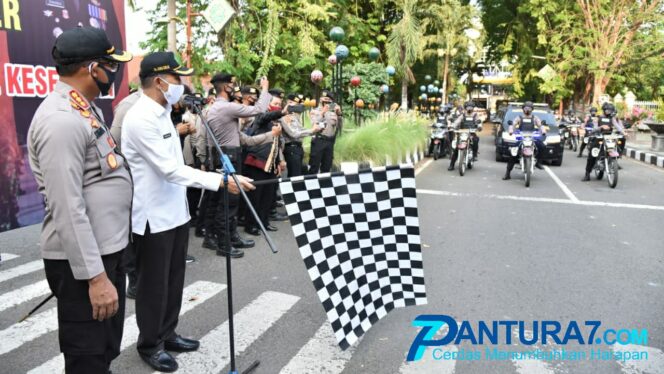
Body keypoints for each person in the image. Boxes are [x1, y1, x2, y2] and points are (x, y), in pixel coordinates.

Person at [121, 52, 254, 373]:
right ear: (159, 81)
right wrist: (220, 181)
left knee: (173, 281)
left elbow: (175, 167)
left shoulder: (162, 112)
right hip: (153, 218)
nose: (182, 86)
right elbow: (169, 170)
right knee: (154, 286)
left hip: (175, 212)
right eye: (178, 80)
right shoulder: (139, 118)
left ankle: (168, 333)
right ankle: (150, 344)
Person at [27, 27, 133, 374]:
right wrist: (95, 278)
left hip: (106, 252)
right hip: (85, 266)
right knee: (86, 357)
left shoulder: (83, 108)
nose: (113, 73)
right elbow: (67, 207)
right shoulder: (61, 120)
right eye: (110, 65)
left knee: (103, 349)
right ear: (92, 69)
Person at [204, 73, 281, 258]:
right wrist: (264, 88)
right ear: (226, 87)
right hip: (228, 155)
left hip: (226, 153)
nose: (235, 88)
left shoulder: (220, 109)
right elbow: (260, 109)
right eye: (233, 84)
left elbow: (245, 140)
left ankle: (229, 237)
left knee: (226, 201)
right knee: (228, 202)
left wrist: (271, 135)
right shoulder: (225, 107)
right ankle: (224, 244)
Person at [243, 89, 290, 235]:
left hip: (271, 162)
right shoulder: (260, 116)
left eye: (280, 104)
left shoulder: (276, 120)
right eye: (275, 103)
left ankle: (264, 223)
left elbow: (276, 142)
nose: (278, 106)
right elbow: (265, 117)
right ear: (268, 105)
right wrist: (281, 112)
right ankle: (251, 225)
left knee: (268, 196)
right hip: (257, 161)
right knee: (255, 196)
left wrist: (278, 162)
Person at [502, 101, 547, 180]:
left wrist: (543, 131)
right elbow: (512, 124)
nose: (527, 109)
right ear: (523, 109)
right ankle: (507, 173)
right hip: (521, 138)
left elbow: (540, 125)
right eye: (526, 108)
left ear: (532, 109)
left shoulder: (535, 118)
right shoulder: (519, 117)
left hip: (532, 137)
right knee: (513, 153)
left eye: (529, 108)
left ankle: (539, 163)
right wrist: (511, 130)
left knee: (542, 146)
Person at [282, 93, 322, 177]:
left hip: (298, 148)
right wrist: (311, 130)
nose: (300, 106)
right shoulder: (287, 116)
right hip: (291, 148)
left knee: (299, 174)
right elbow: (293, 133)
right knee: (294, 176)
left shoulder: (296, 116)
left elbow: (301, 130)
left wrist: (314, 130)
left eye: (301, 104)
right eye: (298, 104)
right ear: (289, 103)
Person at [582, 103, 624, 181]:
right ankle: (587, 174)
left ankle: (612, 162)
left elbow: (618, 127)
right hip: (598, 137)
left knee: (616, 146)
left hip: (608, 137)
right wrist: (601, 127)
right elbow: (594, 128)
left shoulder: (612, 119)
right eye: (608, 110)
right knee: (592, 155)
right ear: (604, 110)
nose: (609, 112)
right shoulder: (598, 118)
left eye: (610, 110)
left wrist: (624, 133)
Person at [308, 90, 341, 174]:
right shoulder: (314, 111)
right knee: (314, 166)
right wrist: (322, 112)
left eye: (328, 100)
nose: (326, 101)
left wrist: (339, 114)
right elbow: (314, 123)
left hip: (329, 142)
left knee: (327, 167)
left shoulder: (333, 113)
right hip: (319, 140)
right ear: (320, 99)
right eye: (324, 98)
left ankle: (325, 185)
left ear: (331, 101)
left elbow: (339, 127)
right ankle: (312, 185)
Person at [448, 101, 482, 171]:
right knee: (457, 148)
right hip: (462, 133)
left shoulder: (475, 115)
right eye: (468, 107)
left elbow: (478, 122)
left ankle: (474, 155)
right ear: (466, 108)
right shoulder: (463, 115)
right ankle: (452, 165)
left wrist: (479, 126)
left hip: (471, 133)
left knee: (476, 140)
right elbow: (457, 121)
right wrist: (452, 126)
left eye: (471, 108)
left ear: (473, 108)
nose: (469, 109)